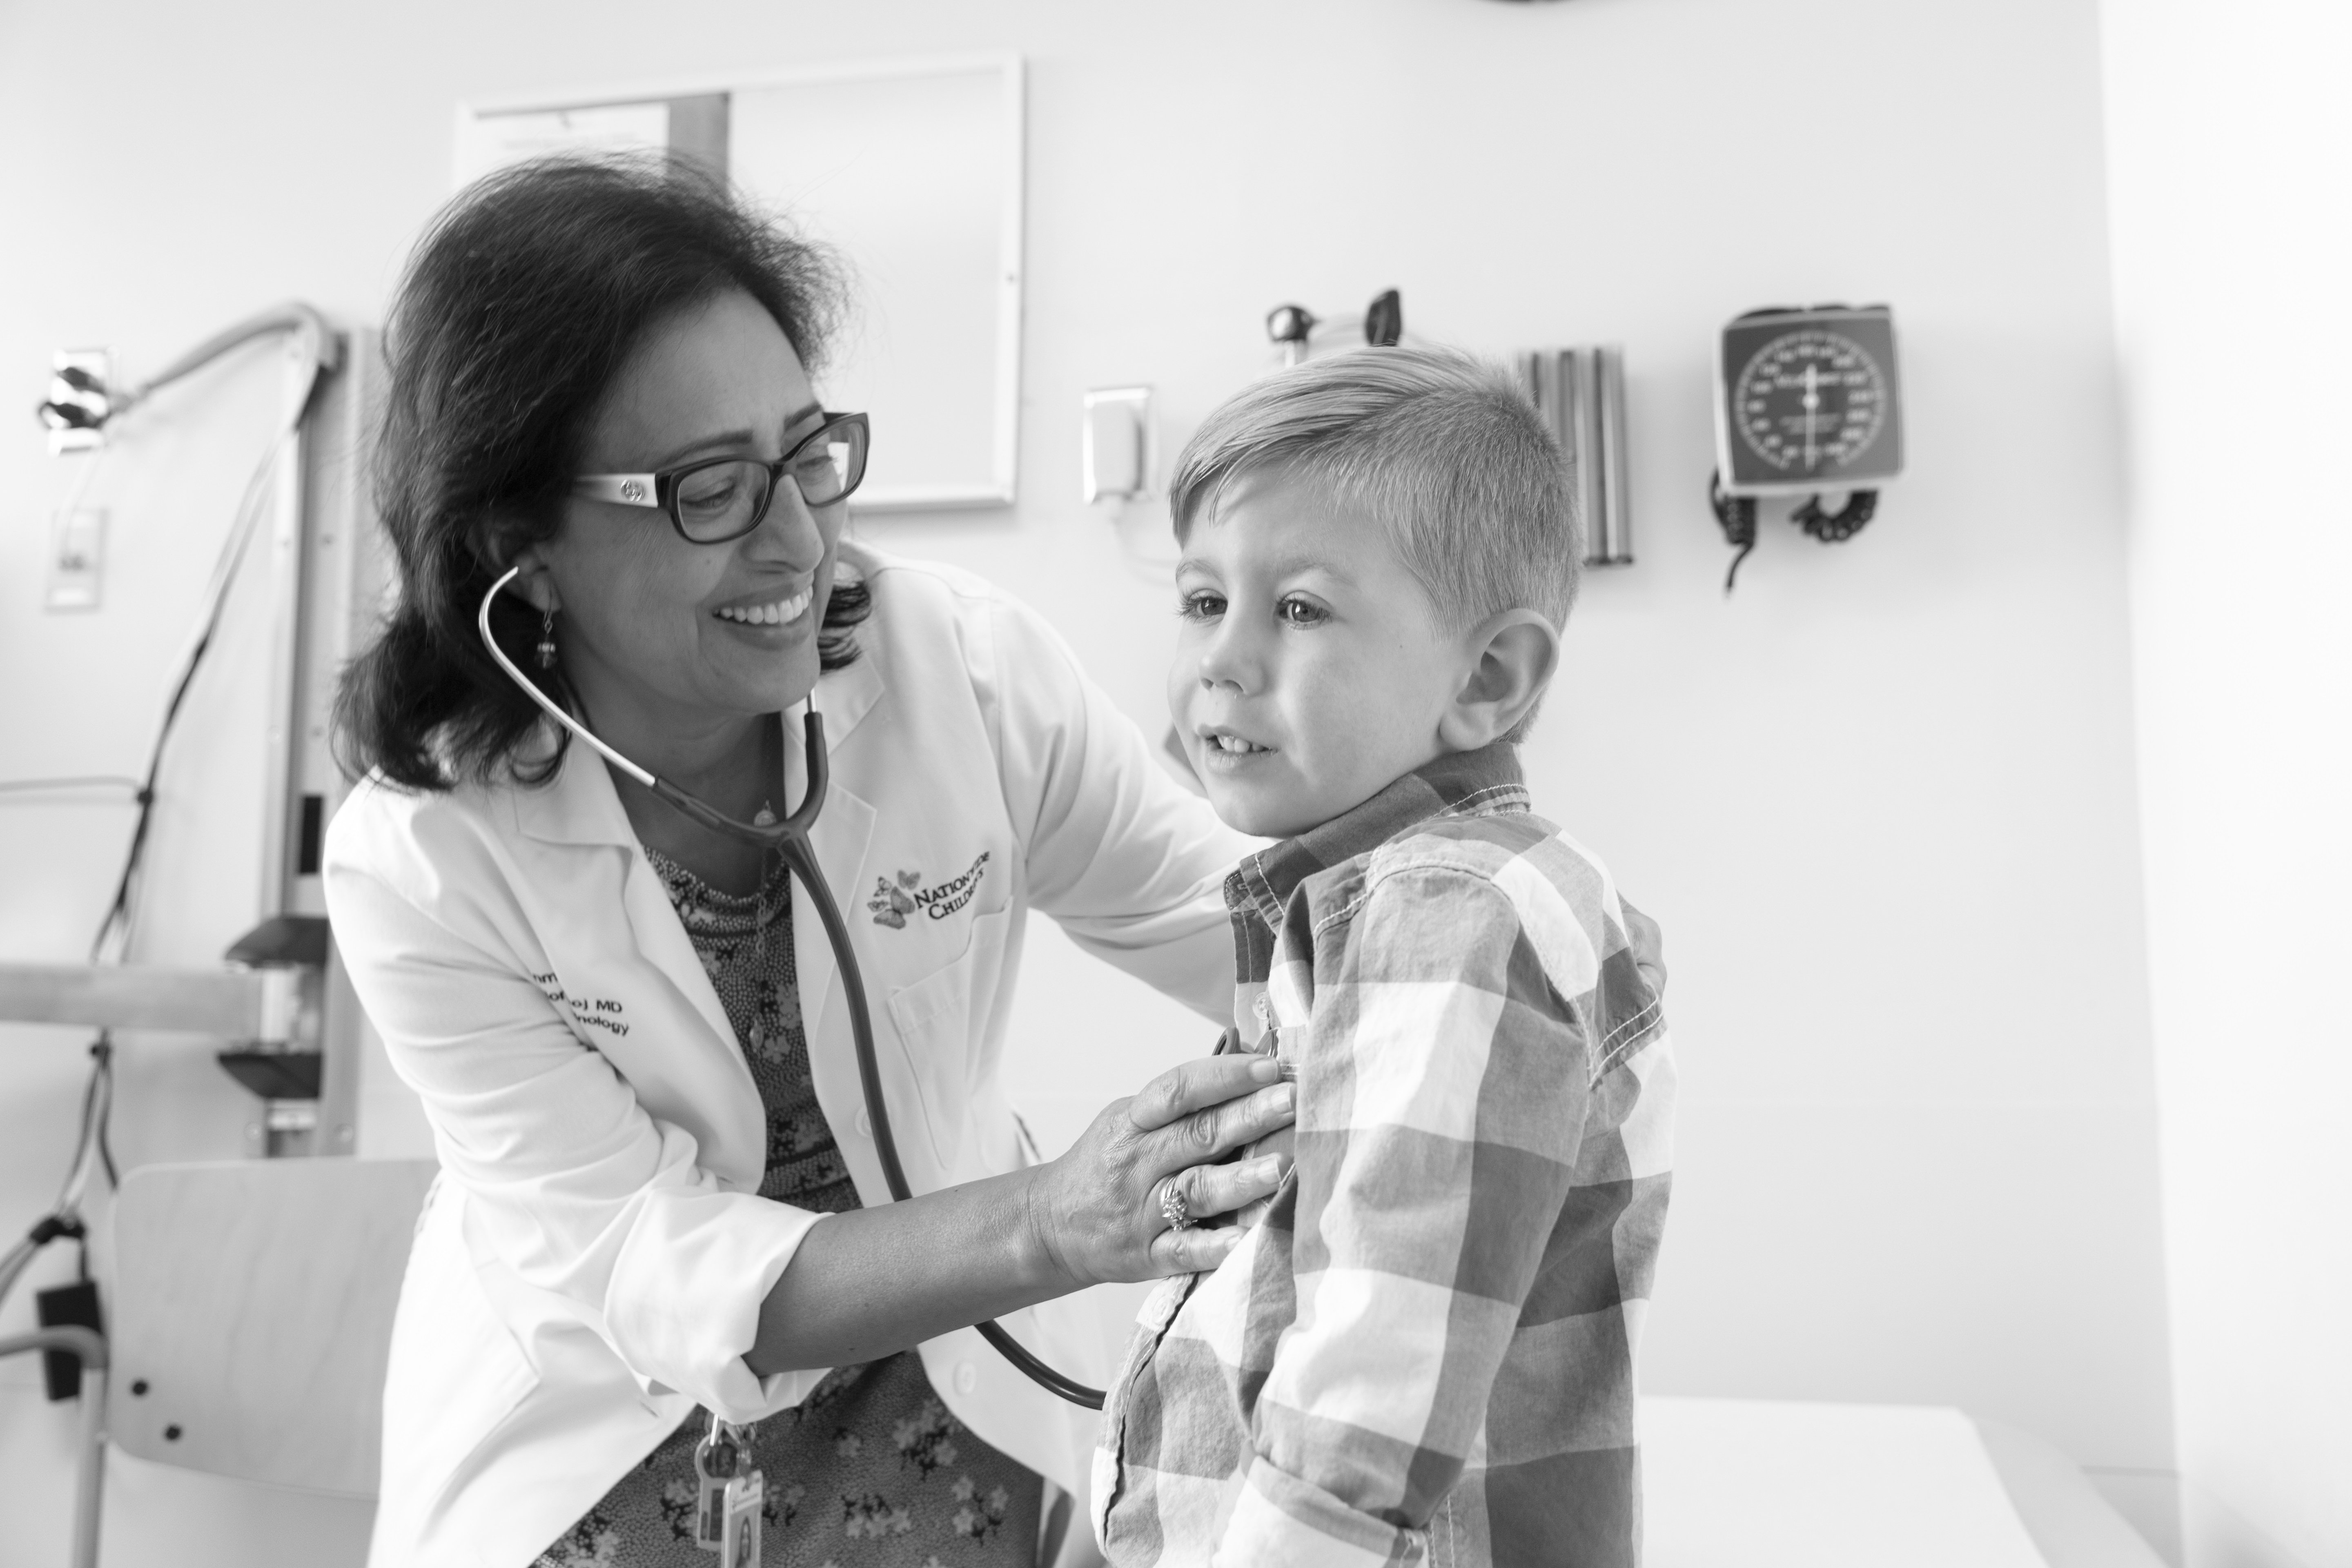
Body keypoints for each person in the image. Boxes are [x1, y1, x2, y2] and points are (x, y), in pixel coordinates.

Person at [322, 155, 1304, 1568]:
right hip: (612, 1435)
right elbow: (647, 1259)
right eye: (712, 489)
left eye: (806, 455)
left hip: (961, 1406)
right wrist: (1053, 1222)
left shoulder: (958, 671)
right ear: (520, 545)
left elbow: (1243, 925)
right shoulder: (422, 860)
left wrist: (1466, 909)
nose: (800, 541)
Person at [1094, 348, 1677, 1566]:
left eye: (1299, 610)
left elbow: (1376, 1374)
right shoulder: (1382, 909)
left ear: (1487, 678)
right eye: (1202, 601)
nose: (1223, 659)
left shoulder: (1449, 913)